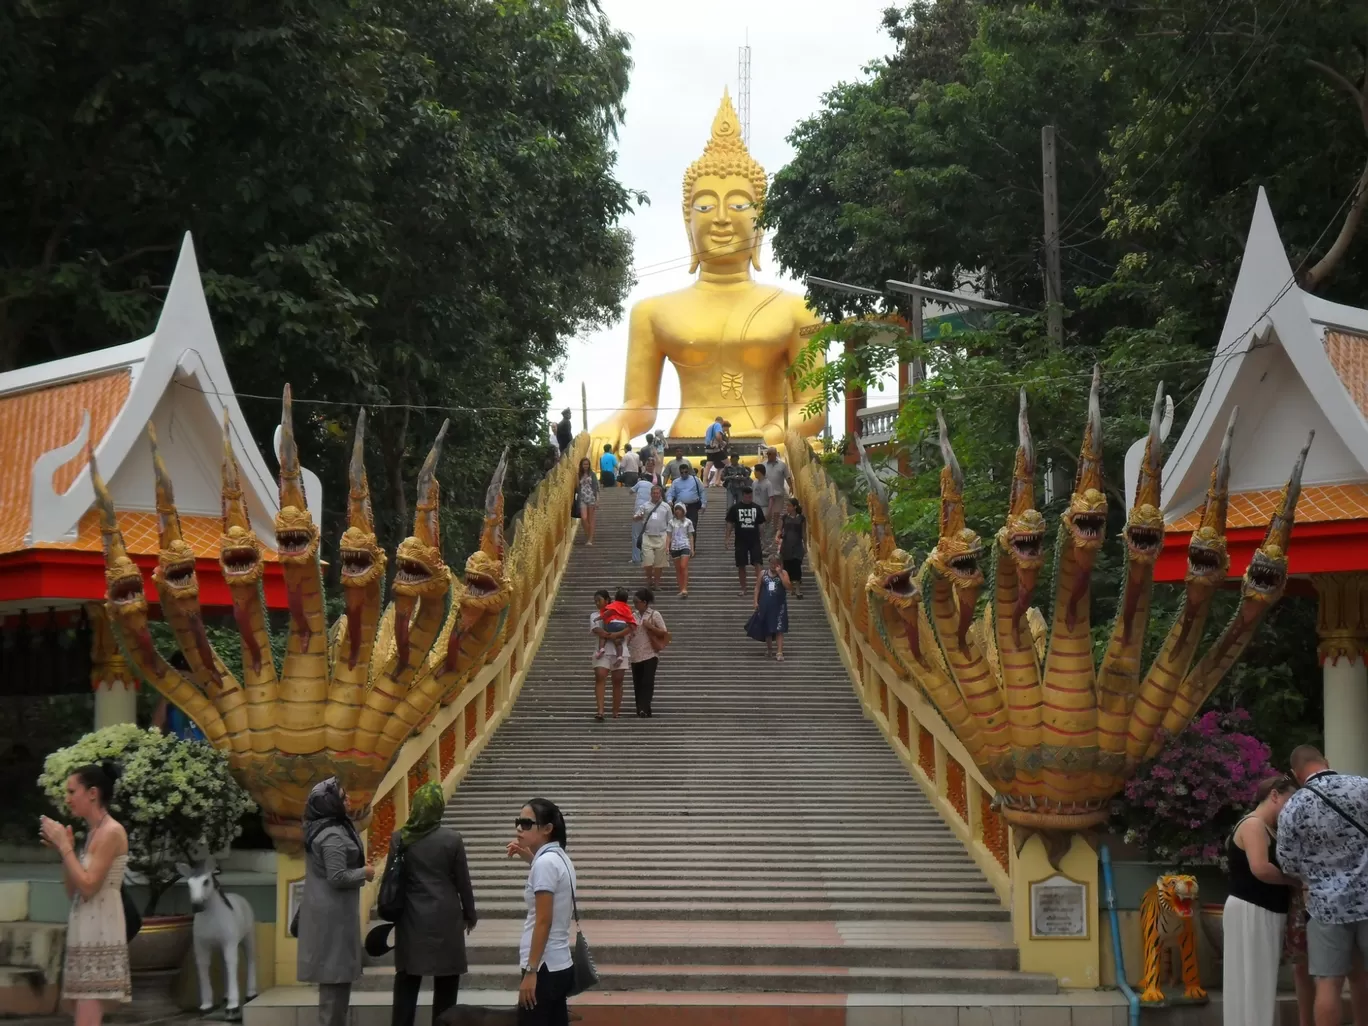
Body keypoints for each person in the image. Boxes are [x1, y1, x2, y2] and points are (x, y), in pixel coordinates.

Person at [1278, 745, 1368, 1026]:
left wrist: (1316, 872)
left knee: (1328, 984)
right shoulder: (1363, 787)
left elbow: (1288, 863)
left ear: (1295, 774)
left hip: (1326, 907)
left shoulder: (1293, 807)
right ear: (1326, 762)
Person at [39, 761, 131, 1022]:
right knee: (84, 1012)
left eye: (71, 792)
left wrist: (65, 847)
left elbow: (90, 885)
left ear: (92, 793)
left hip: (102, 927)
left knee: (88, 1014)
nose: (67, 799)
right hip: (85, 924)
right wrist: (63, 849)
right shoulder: (92, 833)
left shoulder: (112, 832)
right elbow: (74, 890)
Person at [388, 782, 478, 1026]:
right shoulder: (451, 839)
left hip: (411, 918)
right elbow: (463, 882)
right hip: (445, 918)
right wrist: (470, 914)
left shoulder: (400, 839)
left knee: (407, 979)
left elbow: (392, 879)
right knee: (447, 983)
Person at [297, 777, 373, 1026]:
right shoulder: (331, 835)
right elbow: (338, 876)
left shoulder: (328, 826)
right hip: (332, 920)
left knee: (338, 985)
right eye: (342, 797)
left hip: (332, 914)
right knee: (333, 989)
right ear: (331, 804)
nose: (348, 799)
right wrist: (366, 873)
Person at [1223, 775, 1297, 1026]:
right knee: (1253, 979)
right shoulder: (1253, 825)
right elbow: (1261, 868)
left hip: (1263, 910)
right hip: (1252, 909)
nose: (1291, 808)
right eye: (1289, 801)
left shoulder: (1268, 828)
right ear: (1274, 795)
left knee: (1258, 980)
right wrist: (1297, 881)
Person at [507, 799, 576, 1026]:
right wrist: (530, 859)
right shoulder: (559, 858)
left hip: (544, 967)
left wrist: (531, 971)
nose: (519, 828)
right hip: (559, 963)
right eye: (518, 822)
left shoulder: (545, 864)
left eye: (527, 823)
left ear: (547, 829)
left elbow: (543, 921)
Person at [626, 588, 668, 717]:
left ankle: (644, 707)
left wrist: (650, 627)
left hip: (650, 653)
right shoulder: (633, 616)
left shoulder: (654, 614)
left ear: (644, 602)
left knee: (647, 682)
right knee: (637, 682)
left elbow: (664, 632)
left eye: (637, 602)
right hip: (635, 653)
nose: (635, 604)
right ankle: (641, 708)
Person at [589, 589, 629, 721]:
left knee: (618, 681)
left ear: (607, 600)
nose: (597, 603)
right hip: (603, 651)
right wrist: (609, 635)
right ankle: (600, 711)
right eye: (595, 601)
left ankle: (616, 710)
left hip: (619, 650)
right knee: (600, 676)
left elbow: (630, 627)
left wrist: (616, 635)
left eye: (599, 600)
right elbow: (596, 629)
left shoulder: (620, 612)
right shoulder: (595, 615)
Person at [746, 554, 792, 660]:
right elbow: (757, 588)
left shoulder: (784, 573)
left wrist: (780, 573)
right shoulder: (763, 574)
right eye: (771, 563)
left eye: (775, 563)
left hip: (779, 605)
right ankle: (770, 648)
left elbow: (788, 586)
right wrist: (755, 601)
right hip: (765, 604)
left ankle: (779, 652)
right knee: (767, 628)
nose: (773, 565)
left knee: (779, 628)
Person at [726, 483, 766, 595]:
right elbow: (730, 523)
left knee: (758, 563)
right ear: (743, 496)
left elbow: (761, 525)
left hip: (754, 540)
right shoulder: (735, 508)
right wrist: (727, 538)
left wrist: (763, 539)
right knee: (741, 565)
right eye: (747, 496)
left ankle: (759, 587)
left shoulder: (756, 508)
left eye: (750, 496)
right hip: (740, 540)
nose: (749, 498)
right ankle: (743, 588)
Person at [665, 462, 707, 553]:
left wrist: (704, 504)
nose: (684, 474)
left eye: (686, 472)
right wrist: (669, 501)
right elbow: (670, 493)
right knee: (677, 527)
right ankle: (678, 547)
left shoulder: (695, 479)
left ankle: (692, 549)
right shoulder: (676, 482)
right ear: (680, 473)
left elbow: (702, 491)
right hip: (680, 507)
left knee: (692, 527)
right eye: (682, 472)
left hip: (692, 506)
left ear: (689, 471)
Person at [635, 484, 671, 586]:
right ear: (650, 494)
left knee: (659, 563)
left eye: (657, 493)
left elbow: (670, 523)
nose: (655, 495)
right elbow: (635, 517)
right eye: (654, 493)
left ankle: (657, 583)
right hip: (647, 536)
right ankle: (649, 579)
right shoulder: (645, 506)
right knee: (648, 561)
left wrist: (670, 539)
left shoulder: (666, 506)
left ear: (660, 494)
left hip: (661, 536)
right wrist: (638, 517)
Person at [777, 498, 807, 599]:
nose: (787, 508)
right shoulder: (784, 517)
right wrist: (777, 537)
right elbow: (780, 530)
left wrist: (805, 545)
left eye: (789, 506)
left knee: (797, 566)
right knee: (787, 566)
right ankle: (791, 588)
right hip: (786, 545)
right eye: (787, 506)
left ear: (794, 507)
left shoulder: (801, 518)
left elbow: (803, 533)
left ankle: (798, 589)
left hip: (797, 545)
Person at [595, 590, 638, 660]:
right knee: (618, 641)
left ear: (615, 597)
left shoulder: (614, 605)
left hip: (613, 624)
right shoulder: (627, 608)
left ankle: (601, 648)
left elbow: (608, 613)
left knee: (603, 636)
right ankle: (620, 656)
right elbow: (630, 619)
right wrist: (632, 631)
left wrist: (599, 618)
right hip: (623, 625)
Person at [629, 473, 660, 566]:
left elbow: (631, 491)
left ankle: (636, 558)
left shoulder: (640, 482)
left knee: (636, 535)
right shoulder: (653, 487)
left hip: (639, 511)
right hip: (650, 513)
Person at [667, 502, 695, 598]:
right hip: (675, 546)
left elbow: (691, 536)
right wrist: (667, 546)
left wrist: (692, 548)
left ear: (683, 511)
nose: (678, 511)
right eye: (676, 509)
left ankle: (685, 588)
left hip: (685, 545)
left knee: (683, 566)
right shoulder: (671, 522)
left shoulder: (688, 522)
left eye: (680, 509)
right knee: (678, 569)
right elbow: (669, 535)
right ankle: (681, 588)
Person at [575, 457, 599, 547]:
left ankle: (590, 539)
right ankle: (588, 533)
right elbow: (577, 487)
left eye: (587, 464)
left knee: (590, 519)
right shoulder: (579, 475)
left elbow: (596, 487)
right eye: (584, 464)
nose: (586, 466)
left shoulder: (592, 474)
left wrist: (597, 500)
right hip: (582, 498)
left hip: (591, 497)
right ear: (581, 465)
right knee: (584, 518)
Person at [750, 463, 772, 546]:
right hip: (754, 507)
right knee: (755, 528)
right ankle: (757, 544)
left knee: (763, 528)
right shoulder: (754, 483)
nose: (754, 473)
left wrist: (769, 511)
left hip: (764, 508)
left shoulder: (768, 484)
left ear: (760, 472)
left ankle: (765, 545)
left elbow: (771, 498)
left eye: (755, 471)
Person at [763, 447, 791, 512]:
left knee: (777, 513)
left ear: (775, 454)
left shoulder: (782, 465)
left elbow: (787, 477)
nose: (769, 455)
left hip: (778, 493)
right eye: (768, 454)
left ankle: (775, 522)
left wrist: (791, 487)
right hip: (766, 494)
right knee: (768, 513)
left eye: (771, 454)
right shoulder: (763, 465)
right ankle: (768, 522)